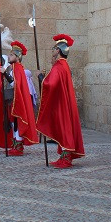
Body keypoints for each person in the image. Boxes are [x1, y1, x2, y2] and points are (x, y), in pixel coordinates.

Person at [36, 34, 85, 168]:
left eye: (54, 48)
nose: (52, 51)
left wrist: (41, 77)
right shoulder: (64, 65)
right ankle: (64, 155)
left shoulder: (59, 66)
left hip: (61, 104)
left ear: (58, 50)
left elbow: (51, 84)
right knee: (64, 127)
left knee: (64, 127)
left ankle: (66, 157)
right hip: (63, 101)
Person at [4, 41, 39, 156]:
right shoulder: (14, 68)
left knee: (18, 122)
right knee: (13, 122)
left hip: (18, 100)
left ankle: (18, 146)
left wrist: (5, 74)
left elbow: (15, 84)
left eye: (12, 55)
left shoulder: (18, 68)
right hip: (13, 99)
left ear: (17, 57)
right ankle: (15, 143)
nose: (9, 57)